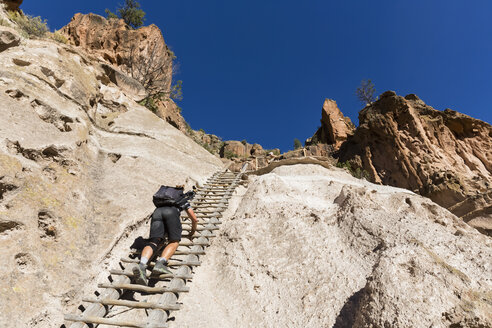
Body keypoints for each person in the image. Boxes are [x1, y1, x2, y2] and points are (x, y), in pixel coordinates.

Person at [133, 185, 198, 286]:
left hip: (157, 213)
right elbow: (194, 218)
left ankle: (142, 265)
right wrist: (193, 231)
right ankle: (161, 263)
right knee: (174, 241)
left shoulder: (164, 200)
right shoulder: (182, 199)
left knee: (154, 241)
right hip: (171, 213)